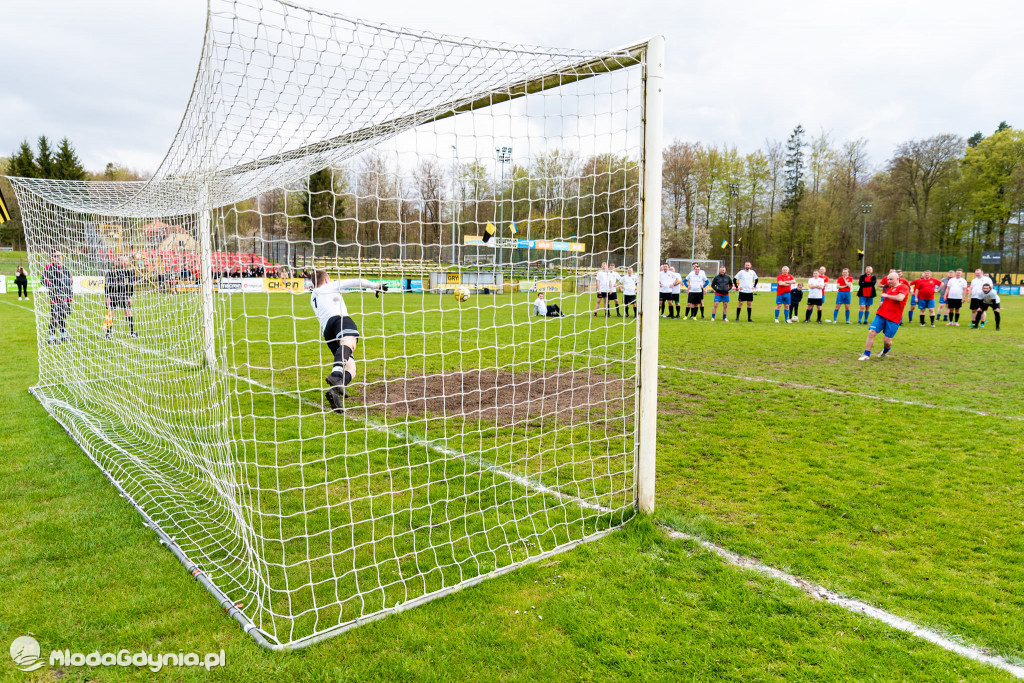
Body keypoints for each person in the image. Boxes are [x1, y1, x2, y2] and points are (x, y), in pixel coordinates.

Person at [310, 269, 387, 412]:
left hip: (327, 331)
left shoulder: (313, 295)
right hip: (339, 319)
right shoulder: (328, 286)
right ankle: (335, 375)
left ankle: (334, 391)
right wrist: (376, 287)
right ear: (326, 279)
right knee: (350, 342)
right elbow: (357, 281)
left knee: (351, 367)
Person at [858, 271, 910, 361]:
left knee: (887, 341)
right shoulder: (890, 288)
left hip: (893, 318)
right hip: (881, 314)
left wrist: (887, 295)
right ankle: (866, 354)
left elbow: (900, 298)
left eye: (891, 279)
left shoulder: (903, 287)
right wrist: (884, 302)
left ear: (897, 279)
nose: (889, 281)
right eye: (888, 279)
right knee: (871, 332)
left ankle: (885, 351)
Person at [42, 250, 73, 343]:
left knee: (63, 316)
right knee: (55, 316)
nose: (59, 257)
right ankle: (51, 337)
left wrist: (70, 287)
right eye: (56, 256)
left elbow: (70, 279)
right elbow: (44, 280)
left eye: (60, 255)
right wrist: (52, 288)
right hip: (55, 297)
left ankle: (63, 336)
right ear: (51, 258)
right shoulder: (49, 267)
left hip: (65, 296)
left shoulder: (64, 268)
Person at [103, 256, 138, 338]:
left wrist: (130, 296)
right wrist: (107, 296)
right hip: (113, 293)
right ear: (118, 262)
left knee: (128, 312)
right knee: (111, 312)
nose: (125, 262)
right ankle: (108, 333)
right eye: (123, 261)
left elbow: (131, 285)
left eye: (126, 261)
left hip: (124, 294)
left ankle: (132, 332)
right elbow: (107, 284)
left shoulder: (129, 272)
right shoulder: (112, 271)